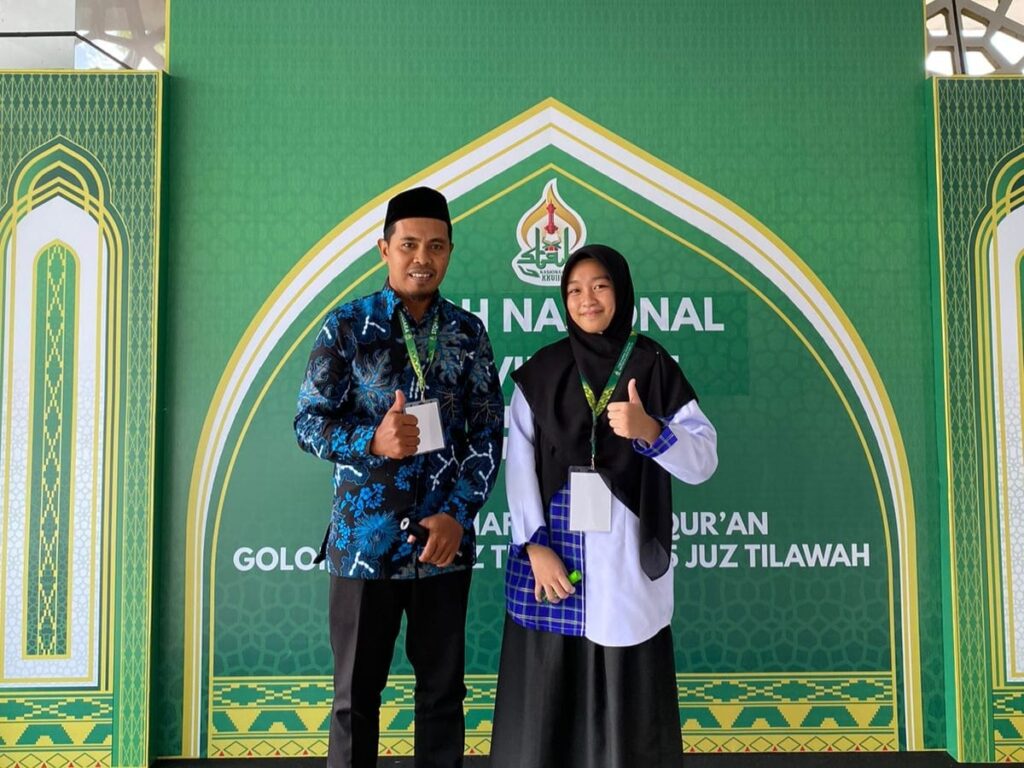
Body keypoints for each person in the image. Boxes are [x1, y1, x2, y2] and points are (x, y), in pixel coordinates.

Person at [294, 186, 504, 768]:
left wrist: (458, 516)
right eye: (409, 244)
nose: (422, 258)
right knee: (354, 700)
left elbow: (489, 433)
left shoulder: (468, 333)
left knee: (443, 697)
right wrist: (371, 440)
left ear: (449, 252)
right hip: (365, 548)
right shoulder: (346, 327)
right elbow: (308, 423)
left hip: (443, 547)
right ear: (384, 249)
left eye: (435, 246)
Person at [490, 244, 718, 768]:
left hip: (623, 565)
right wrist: (535, 546)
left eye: (599, 286)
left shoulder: (652, 366)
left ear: (621, 291)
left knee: (624, 702)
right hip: (553, 560)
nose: (586, 299)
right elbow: (518, 462)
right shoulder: (543, 371)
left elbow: (704, 460)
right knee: (548, 702)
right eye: (574, 289)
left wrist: (652, 431)